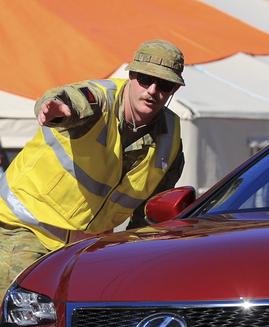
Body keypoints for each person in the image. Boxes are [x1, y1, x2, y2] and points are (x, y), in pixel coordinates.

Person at [0, 39, 186, 292]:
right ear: (130, 76)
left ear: (174, 89)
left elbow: (150, 212)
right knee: (18, 313)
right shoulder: (101, 99)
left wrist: (139, 254)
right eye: (144, 79)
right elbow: (73, 97)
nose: (153, 90)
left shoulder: (170, 139)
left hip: (83, 249)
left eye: (164, 85)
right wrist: (58, 108)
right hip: (24, 230)